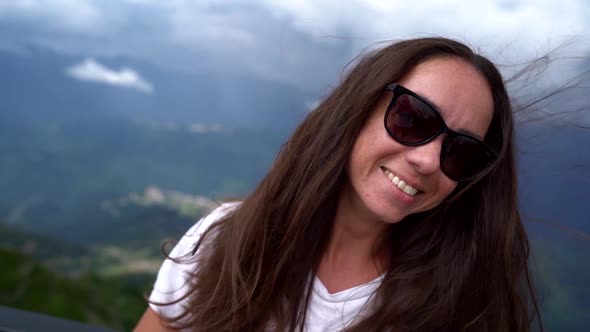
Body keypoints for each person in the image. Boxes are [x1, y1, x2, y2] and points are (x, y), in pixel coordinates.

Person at [134, 37, 541, 331]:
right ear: (356, 110)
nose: (429, 160)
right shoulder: (228, 237)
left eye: (461, 152)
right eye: (413, 119)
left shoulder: (461, 309)